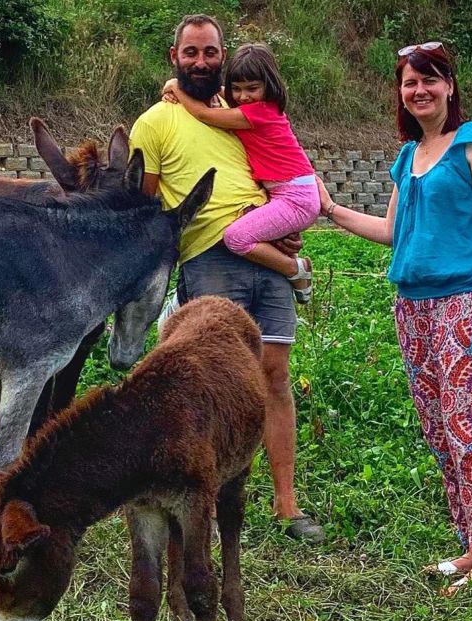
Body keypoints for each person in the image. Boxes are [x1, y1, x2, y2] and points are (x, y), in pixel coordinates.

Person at [315, 42, 472, 590]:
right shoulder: (408, 158)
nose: (419, 90)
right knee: (438, 428)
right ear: (400, 94)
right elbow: (390, 233)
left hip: (465, 305)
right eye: (409, 82)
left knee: (469, 425)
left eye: (430, 79)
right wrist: (329, 209)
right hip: (413, 306)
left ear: (449, 85)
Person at [130, 14, 325, 543]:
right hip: (211, 258)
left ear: (223, 55)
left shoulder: (242, 113)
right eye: (190, 53)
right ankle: (205, 509)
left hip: (264, 255)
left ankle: (288, 507)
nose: (200, 62)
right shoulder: (155, 122)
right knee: (210, 388)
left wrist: (286, 231)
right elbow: (143, 208)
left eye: (210, 52)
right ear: (174, 57)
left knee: (274, 377)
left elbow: (280, 174)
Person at [162, 43, 319, 304]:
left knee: (236, 238)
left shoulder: (258, 113)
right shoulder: (259, 109)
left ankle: (295, 269)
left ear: (269, 86)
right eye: (237, 89)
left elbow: (203, 113)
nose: (244, 96)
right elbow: (221, 96)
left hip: (295, 198)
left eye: (252, 89)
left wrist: (177, 87)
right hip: (291, 192)